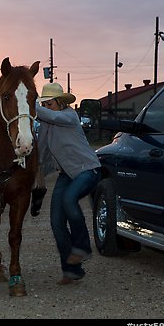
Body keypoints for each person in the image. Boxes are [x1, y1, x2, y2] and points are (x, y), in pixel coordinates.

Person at [35, 82, 101, 285]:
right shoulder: (47, 123)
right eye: (44, 104)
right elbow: (43, 152)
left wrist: (32, 104)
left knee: (69, 200)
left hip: (87, 169)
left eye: (49, 103)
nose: (47, 108)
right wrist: (37, 175)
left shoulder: (69, 116)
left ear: (60, 102)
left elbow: (53, 117)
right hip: (66, 175)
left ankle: (82, 247)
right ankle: (72, 270)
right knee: (56, 222)